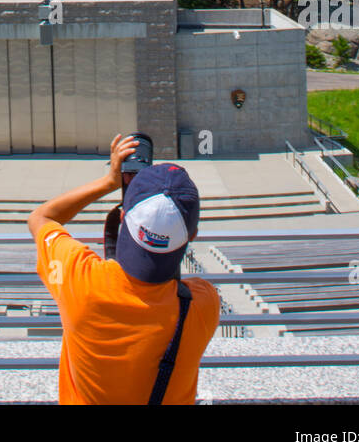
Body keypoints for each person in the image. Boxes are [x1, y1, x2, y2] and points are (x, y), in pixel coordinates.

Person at [28, 133, 220, 405]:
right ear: (192, 235)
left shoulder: (80, 280)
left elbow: (41, 218)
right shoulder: (204, 305)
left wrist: (110, 181)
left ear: (121, 218)